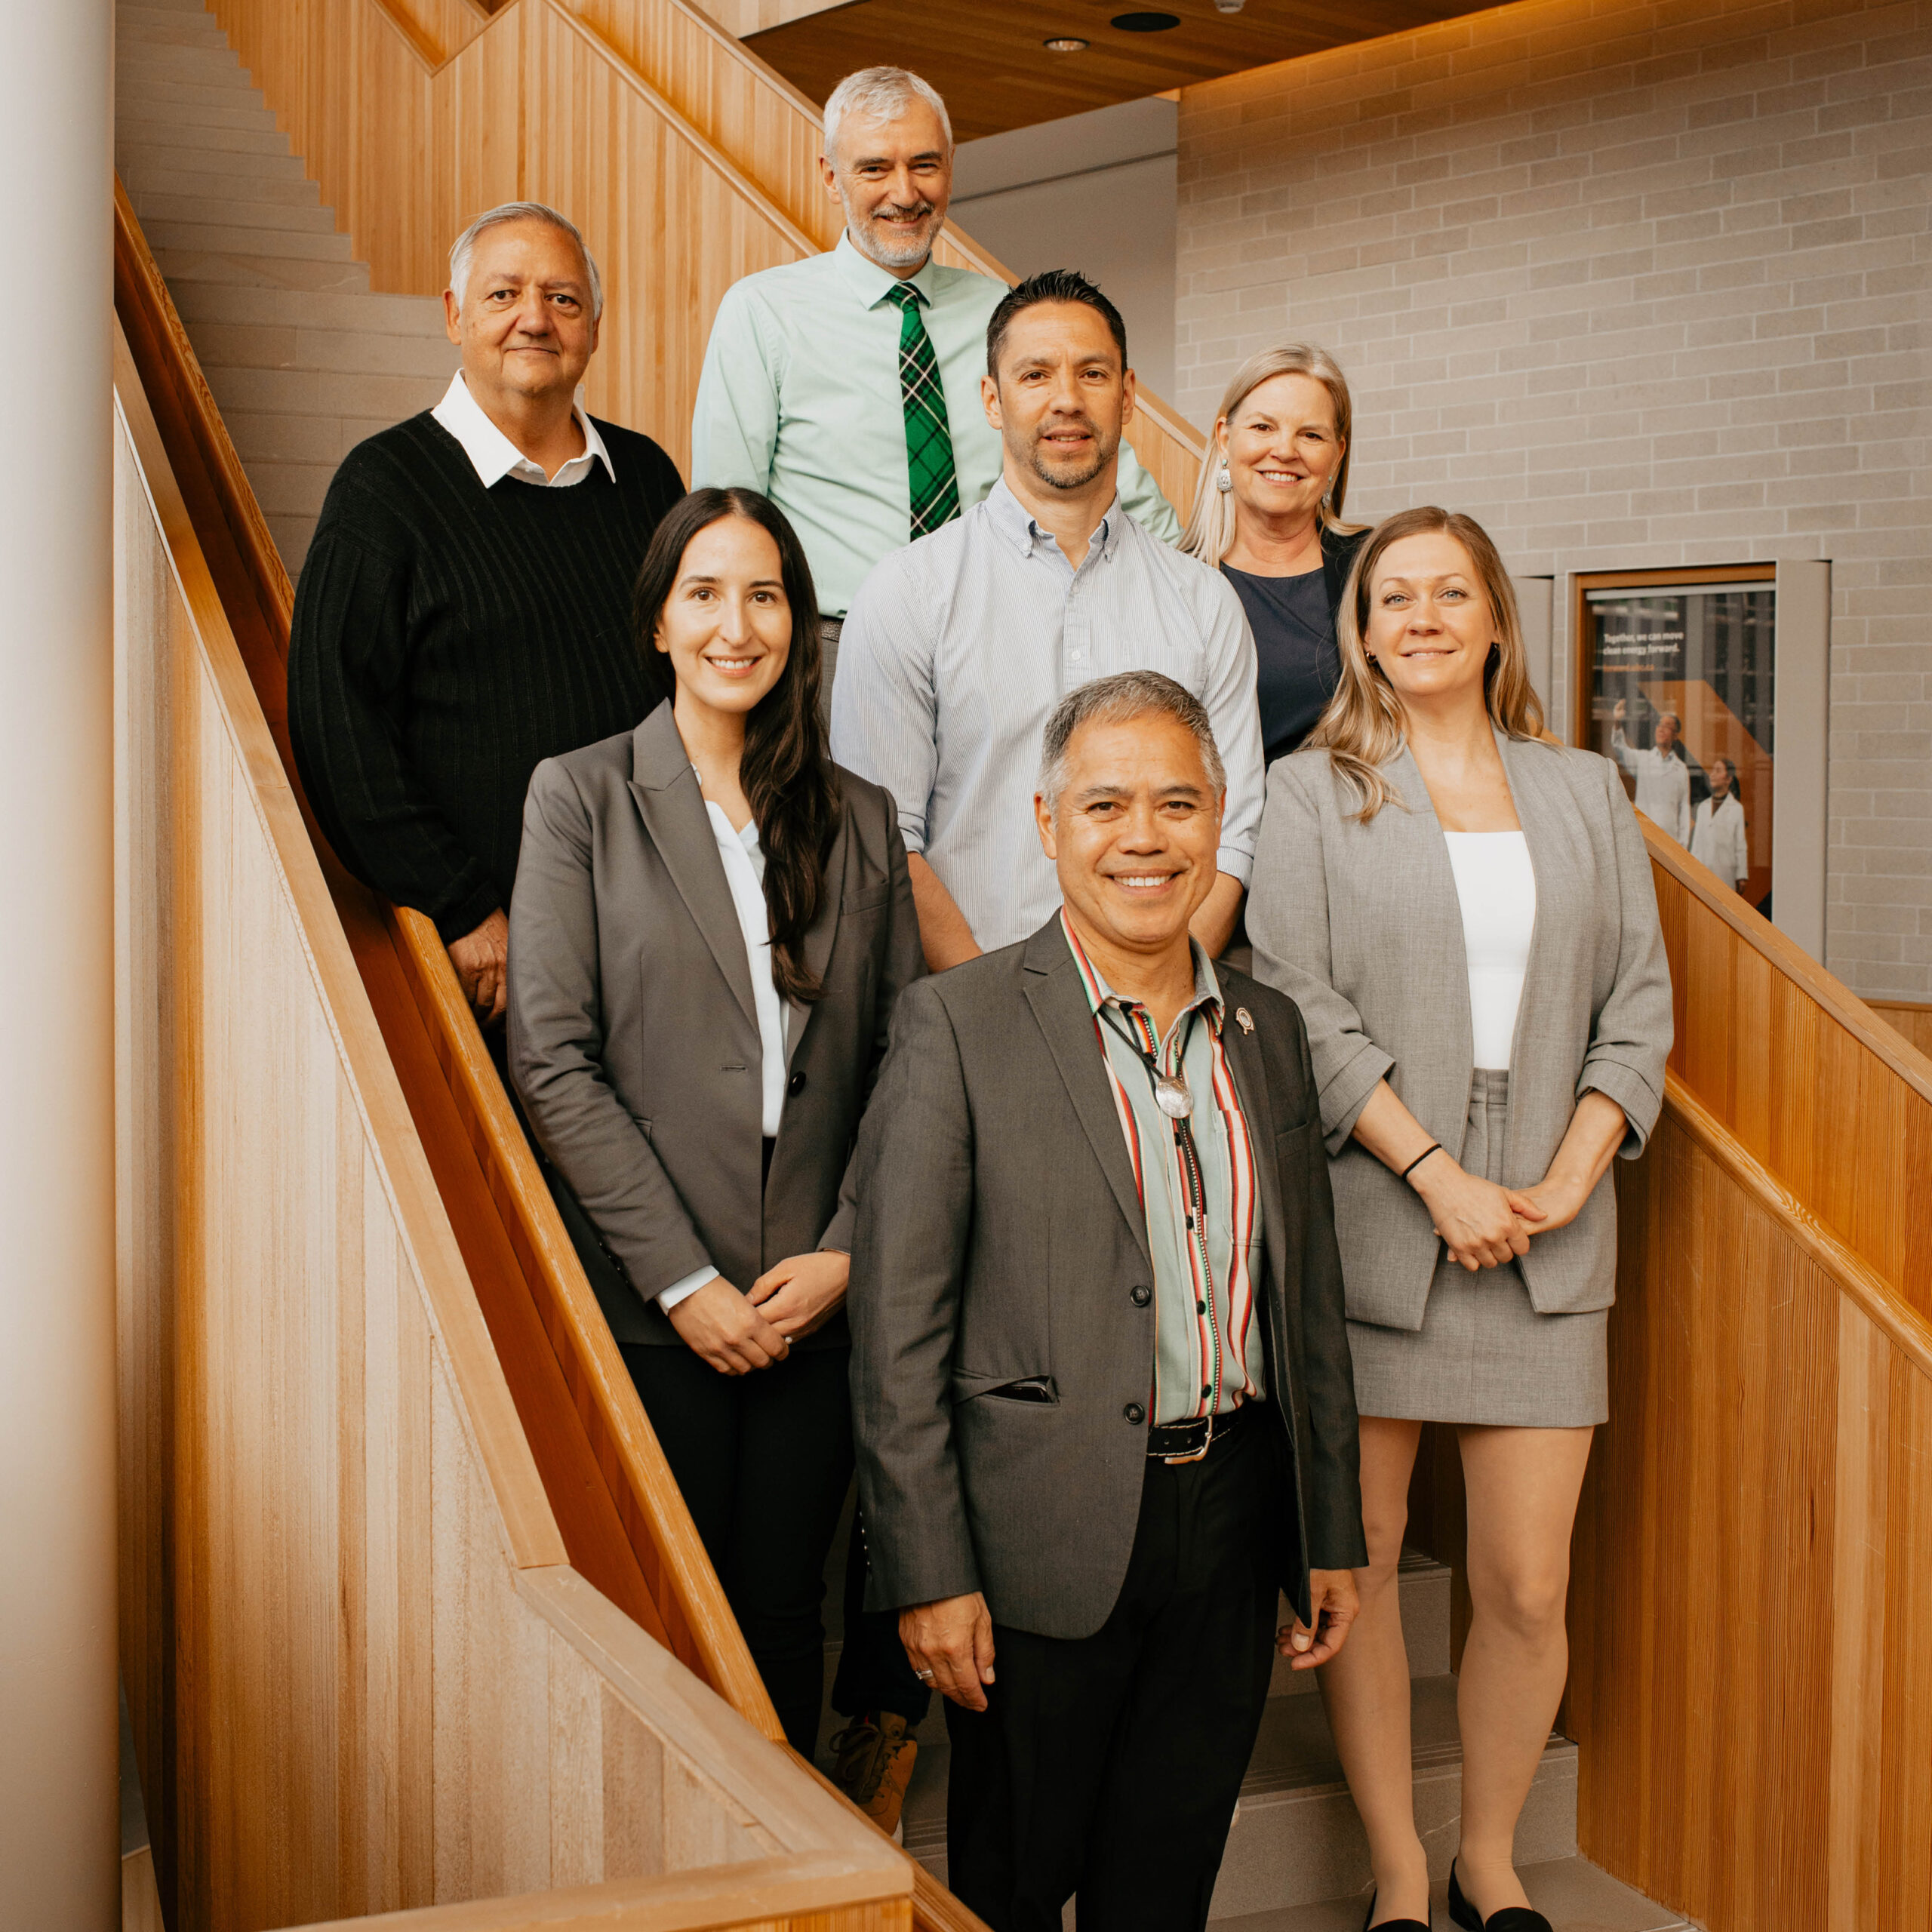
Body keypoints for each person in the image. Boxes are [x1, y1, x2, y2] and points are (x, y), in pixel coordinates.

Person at [848, 670, 1366, 1932]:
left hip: (1235, 1521)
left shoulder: (1272, 1027)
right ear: (1047, 823)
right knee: (1014, 1887)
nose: (1146, 837)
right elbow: (896, 1334)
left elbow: (1307, 1307)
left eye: (1179, 803)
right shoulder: (957, 1026)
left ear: (1219, 816)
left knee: (1166, 1880)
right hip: (1041, 1538)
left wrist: (1329, 1528)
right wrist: (928, 1569)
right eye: (1108, 805)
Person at [1247, 508, 1672, 1932]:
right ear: (1361, 628)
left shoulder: (1585, 789)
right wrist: (1435, 1173)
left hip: (1553, 1232)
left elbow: (1640, 1013)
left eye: (1450, 593)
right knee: (1356, 1568)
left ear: (1496, 617)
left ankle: (1489, 1856)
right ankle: (1398, 1868)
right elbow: (1297, 1003)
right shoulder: (1311, 792)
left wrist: (1570, 1172)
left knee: (1526, 1582)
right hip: (1380, 1217)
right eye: (1393, 597)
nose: (1421, 617)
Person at [504, 488, 921, 1760]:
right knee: (661, 1632)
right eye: (705, 593)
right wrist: (684, 1281)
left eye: (764, 594)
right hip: (651, 1298)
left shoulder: (858, 818)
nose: (736, 623)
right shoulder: (581, 798)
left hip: (815, 1290)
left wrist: (850, 1246)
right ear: (659, 622)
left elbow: (908, 1058)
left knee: (785, 1622)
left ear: (796, 619)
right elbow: (552, 1057)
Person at [290, 202, 685, 1026]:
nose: (534, 319)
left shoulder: (648, 478)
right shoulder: (384, 489)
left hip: (655, 934)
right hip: (496, 954)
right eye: (503, 294)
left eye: (563, 299)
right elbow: (336, 726)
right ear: (453, 314)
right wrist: (459, 904)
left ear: (595, 327)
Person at [691, 66, 1177, 693]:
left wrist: (1196, 576)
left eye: (925, 165)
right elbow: (727, 513)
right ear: (831, 177)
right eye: (874, 168)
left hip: (1002, 635)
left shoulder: (1001, 310)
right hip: (834, 649)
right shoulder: (762, 312)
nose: (904, 192)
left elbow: (1090, 450)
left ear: (950, 166)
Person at [832, 271, 1264, 970]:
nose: (1067, 399)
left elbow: (1233, 832)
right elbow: (884, 842)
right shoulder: (906, 594)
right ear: (992, 401)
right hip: (968, 1019)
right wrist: (993, 1020)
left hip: (1162, 1025)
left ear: (1127, 397)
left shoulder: (1205, 604)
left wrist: (1154, 1002)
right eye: (1035, 375)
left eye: (1092, 373)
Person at [1181, 343, 1369, 768]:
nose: (1285, 450)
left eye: (1311, 434)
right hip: (1220, 830)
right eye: (1264, 427)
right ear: (1224, 437)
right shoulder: (1174, 579)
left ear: (1337, 454)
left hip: (1355, 823)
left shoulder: (1375, 565)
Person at [1610, 696, 1691, 844]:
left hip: (1670, 840)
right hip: (1645, 837)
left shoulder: (1681, 769)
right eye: (1659, 725)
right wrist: (1617, 722)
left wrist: (1683, 845)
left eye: (1667, 726)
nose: (1661, 729)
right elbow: (1620, 748)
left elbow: (1684, 809)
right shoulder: (1643, 759)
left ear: (1675, 735)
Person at [1690, 755, 1748, 891]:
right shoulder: (1703, 807)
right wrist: (1691, 869)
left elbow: (1740, 844)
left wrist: (1741, 876)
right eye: (1712, 770)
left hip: (1725, 872)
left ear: (1728, 779)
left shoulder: (1736, 809)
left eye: (1718, 771)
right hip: (1702, 871)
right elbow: (1697, 842)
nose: (1713, 775)